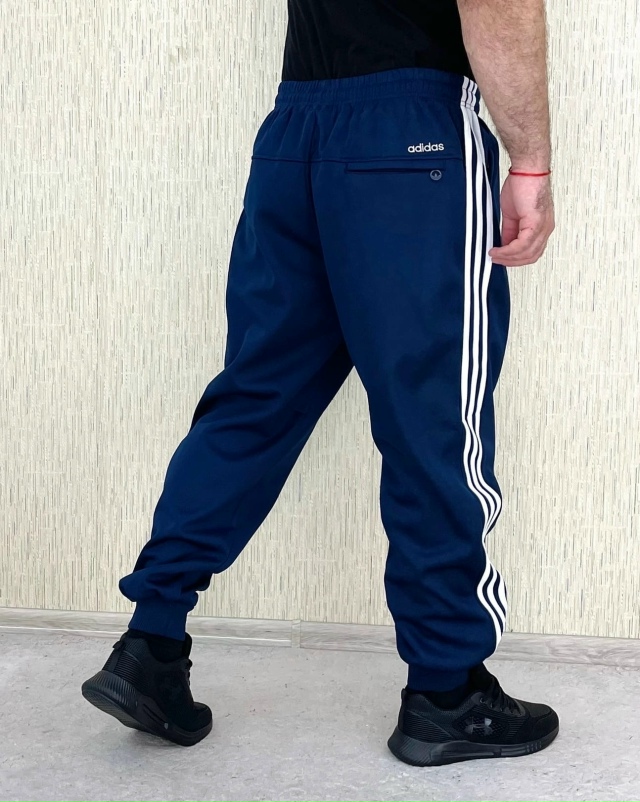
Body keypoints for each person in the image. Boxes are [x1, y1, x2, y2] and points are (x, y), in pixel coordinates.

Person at [82, 0, 558, 766]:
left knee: (255, 401)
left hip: (294, 132)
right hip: (412, 137)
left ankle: (151, 643)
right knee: (433, 416)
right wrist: (530, 161)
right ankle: (447, 695)